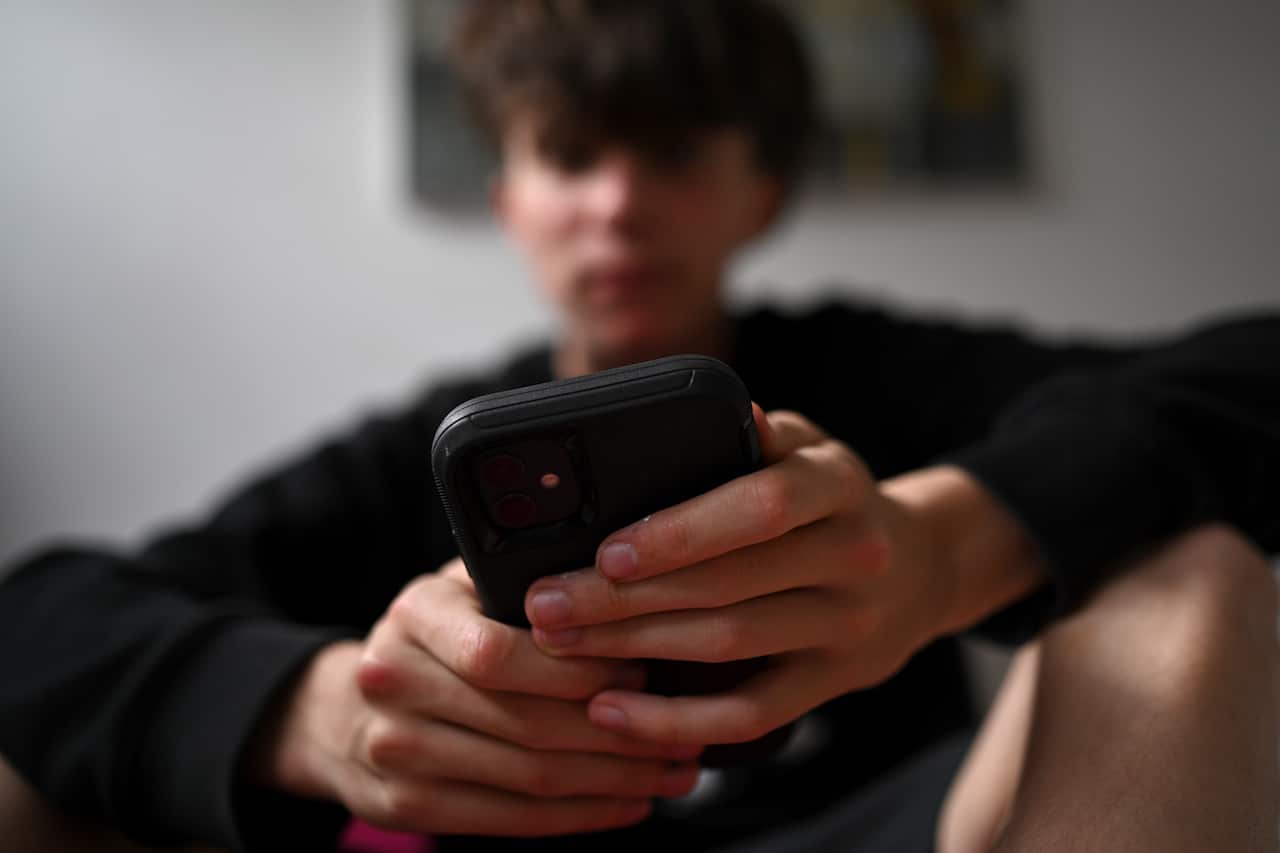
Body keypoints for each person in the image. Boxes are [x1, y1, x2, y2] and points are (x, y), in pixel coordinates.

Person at [1, 1, 1277, 851]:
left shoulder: (879, 372)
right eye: (569, 154)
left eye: (669, 152)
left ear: (757, 191)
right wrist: (318, 713)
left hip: (891, 828)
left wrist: (947, 548)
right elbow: (37, 618)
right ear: (509, 200)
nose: (615, 204)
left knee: (1189, 574)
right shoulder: (419, 451)